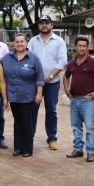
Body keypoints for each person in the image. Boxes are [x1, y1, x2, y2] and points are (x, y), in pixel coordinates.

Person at [63, 36, 94, 163]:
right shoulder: (72, 63)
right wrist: (67, 89)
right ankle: (78, 149)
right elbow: (66, 76)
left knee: (90, 127)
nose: (82, 48)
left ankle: (90, 152)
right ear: (76, 46)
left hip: (87, 101)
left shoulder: (93, 62)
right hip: (75, 100)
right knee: (76, 126)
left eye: (84, 46)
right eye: (79, 45)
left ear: (87, 47)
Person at [27, 14, 68, 150]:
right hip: (35, 82)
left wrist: (49, 76)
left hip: (52, 82)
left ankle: (52, 138)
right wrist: (38, 77)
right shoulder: (33, 41)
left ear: (52, 25)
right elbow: (29, 59)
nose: (44, 25)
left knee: (51, 110)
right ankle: (29, 137)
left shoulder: (59, 41)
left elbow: (62, 61)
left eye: (46, 23)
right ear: (38, 26)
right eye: (41, 23)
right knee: (32, 110)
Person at [1, 33, 44, 158]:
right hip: (13, 96)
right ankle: (17, 147)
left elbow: (40, 78)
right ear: (14, 44)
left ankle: (27, 148)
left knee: (26, 121)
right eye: (17, 42)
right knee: (17, 121)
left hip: (28, 96)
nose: (19, 44)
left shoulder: (33, 58)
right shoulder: (7, 58)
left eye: (22, 41)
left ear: (26, 43)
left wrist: (39, 94)